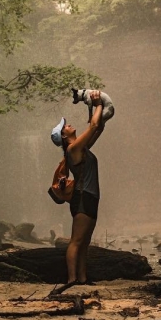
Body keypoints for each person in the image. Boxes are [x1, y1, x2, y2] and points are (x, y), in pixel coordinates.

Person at [49, 90, 104, 295]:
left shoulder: (81, 147)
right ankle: (72, 279)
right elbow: (94, 125)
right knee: (76, 241)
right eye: (66, 126)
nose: (70, 125)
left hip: (91, 197)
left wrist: (93, 106)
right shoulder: (73, 150)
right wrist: (98, 104)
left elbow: (98, 128)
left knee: (85, 241)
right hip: (82, 198)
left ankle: (82, 278)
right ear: (64, 136)